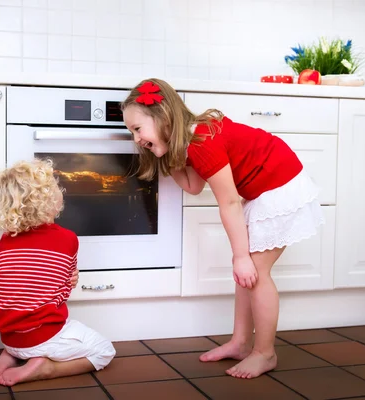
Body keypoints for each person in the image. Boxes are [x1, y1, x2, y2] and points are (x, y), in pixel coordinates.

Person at [121, 78, 324, 379]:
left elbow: (229, 202)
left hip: (280, 187)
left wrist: (239, 255)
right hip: (266, 186)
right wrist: (168, 155)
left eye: (138, 129)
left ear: (163, 117)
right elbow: (192, 186)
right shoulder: (192, 141)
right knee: (249, 276)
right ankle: (241, 343)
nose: (136, 138)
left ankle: (265, 353)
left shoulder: (202, 145)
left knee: (254, 273)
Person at [0, 158, 116, 387]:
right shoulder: (67, 239)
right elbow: (62, 289)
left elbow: (5, 281)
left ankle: (11, 354)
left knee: (27, 312)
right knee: (104, 351)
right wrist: (72, 279)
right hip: (44, 337)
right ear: (49, 200)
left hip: (9, 335)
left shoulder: (6, 239)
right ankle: (47, 368)